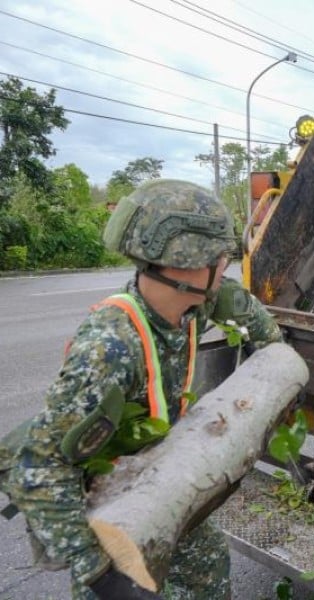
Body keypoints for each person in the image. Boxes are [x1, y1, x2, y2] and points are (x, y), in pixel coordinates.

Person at [1, 180, 283, 599]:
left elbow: (241, 307)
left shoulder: (194, 302)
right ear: (189, 263)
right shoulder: (111, 347)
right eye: (219, 256)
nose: (225, 263)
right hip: (110, 510)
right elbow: (42, 465)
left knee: (207, 570)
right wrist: (103, 577)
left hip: (161, 479)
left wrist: (274, 352)